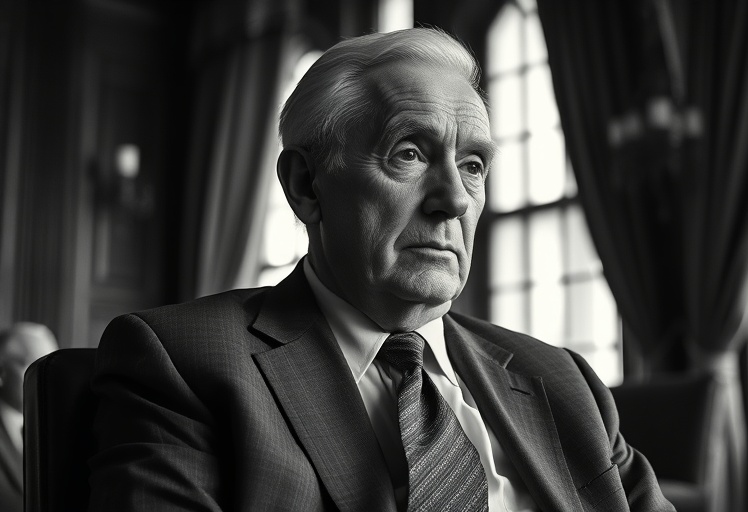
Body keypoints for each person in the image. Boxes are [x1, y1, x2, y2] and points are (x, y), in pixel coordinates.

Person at [90, 28, 675, 511]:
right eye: (410, 153)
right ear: (305, 186)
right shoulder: (182, 365)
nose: (455, 199)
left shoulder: (564, 382)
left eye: (473, 165)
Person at [0, 322, 58, 511]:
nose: (45, 379)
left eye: (50, 369)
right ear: (2, 370)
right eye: (33, 366)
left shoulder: (58, 429)